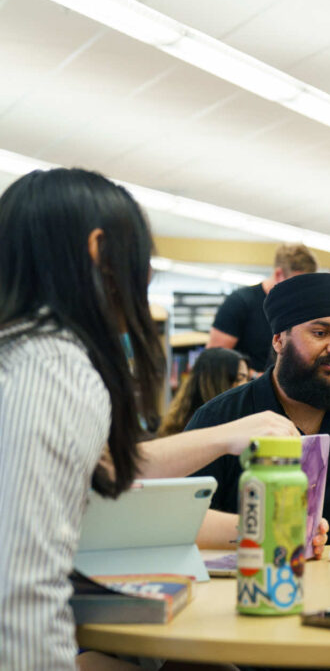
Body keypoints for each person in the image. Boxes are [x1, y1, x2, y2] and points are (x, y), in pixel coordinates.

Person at [0, 168, 307, 670]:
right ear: (100, 251)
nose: (143, 281)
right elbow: (21, 585)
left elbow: (109, 465)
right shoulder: (53, 368)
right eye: (141, 262)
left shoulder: (22, 355)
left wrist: (227, 436)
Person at [190, 272, 330, 547]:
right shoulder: (220, 420)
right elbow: (182, 523)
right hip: (251, 583)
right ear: (279, 340)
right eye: (320, 333)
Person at [206, 243, 317, 373]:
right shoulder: (240, 302)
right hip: (247, 387)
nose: (300, 291)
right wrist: (256, 378)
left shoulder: (297, 308)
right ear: (278, 274)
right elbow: (214, 360)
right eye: (296, 284)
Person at [157, 347, 249, 436]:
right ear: (217, 382)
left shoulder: (180, 421)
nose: (247, 384)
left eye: (248, 378)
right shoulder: (203, 429)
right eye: (240, 378)